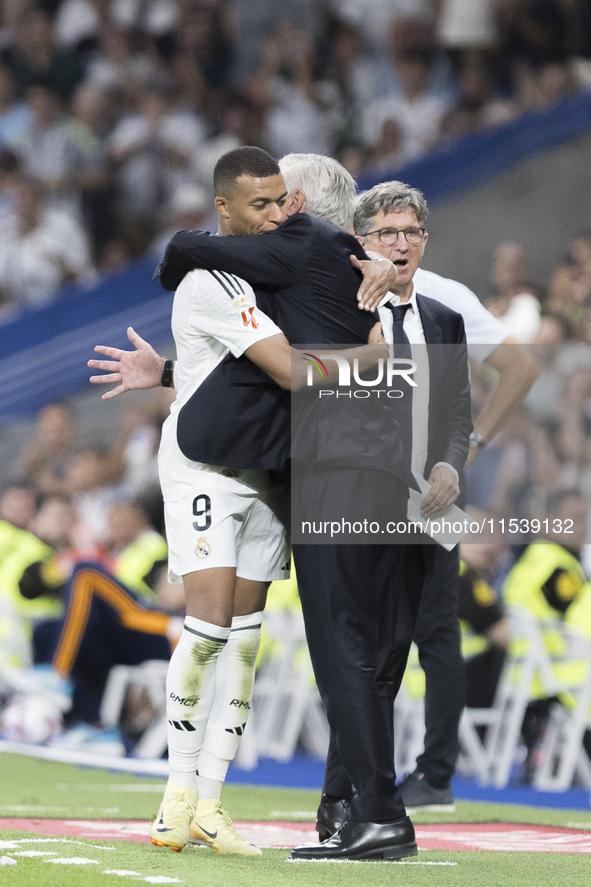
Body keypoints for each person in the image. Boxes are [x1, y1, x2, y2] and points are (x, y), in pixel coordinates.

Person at [91, 150, 471, 861]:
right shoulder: (359, 267)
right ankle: (349, 804)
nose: (268, 216)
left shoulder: (298, 247)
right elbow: (252, 380)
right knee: (376, 652)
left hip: (330, 473)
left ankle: (374, 815)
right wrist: (172, 370)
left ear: (294, 204)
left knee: (341, 647)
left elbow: (183, 253)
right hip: (390, 481)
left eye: (275, 203)